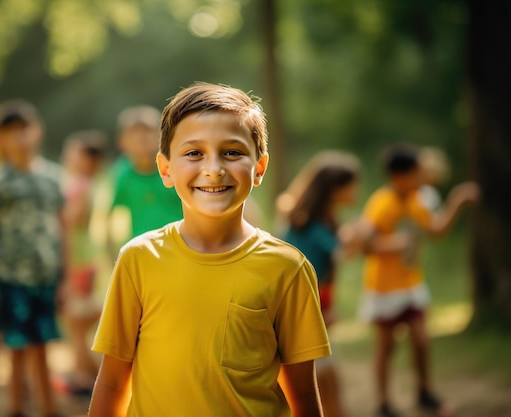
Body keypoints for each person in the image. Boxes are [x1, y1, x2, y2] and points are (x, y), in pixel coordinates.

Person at [88, 82, 331, 417]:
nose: (213, 168)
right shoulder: (138, 259)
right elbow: (113, 382)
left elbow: (302, 392)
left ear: (258, 168)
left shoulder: (288, 268)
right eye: (193, 153)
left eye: (232, 152)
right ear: (166, 169)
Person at [359, 143, 478, 417]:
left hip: (411, 284)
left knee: (421, 339)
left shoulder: (417, 201)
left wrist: (457, 202)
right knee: (386, 346)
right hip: (384, 288)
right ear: (398, 176)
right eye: (416, 174)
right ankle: (383, 402)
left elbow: (436, 231)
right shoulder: (381, 203)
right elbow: (367, 244)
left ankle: (425, 392)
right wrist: (394, 245)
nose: (421, 180)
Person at [0, 99, 67, 417]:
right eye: (11, 131)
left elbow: (64, 232)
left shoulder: (53, 178)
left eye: (24, 129)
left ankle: (48, 410)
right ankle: (15, 409)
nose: (19, 137)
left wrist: (65, 278)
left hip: (44, 278)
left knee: (42, 349)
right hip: (10, 278)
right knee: (16, 350)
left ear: (38, 131)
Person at [278, 151, 362, 417]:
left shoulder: (315, 220)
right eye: (351, 184)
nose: (355, 191)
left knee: (327, 388)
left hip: (309, 313)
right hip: (298, 316)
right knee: (324, 391)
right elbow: (338, 254)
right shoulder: (308, 225)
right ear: (334, 189)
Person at [56, 130, 107, 395]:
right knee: (75, 324)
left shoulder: (80, 186)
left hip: (78, 261)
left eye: (73, 152)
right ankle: (83, 375)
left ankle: (90, 378)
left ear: (87, 160)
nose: (68, 156)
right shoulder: (91, 184)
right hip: (84, 258)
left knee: (75, 322)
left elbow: (69, 220)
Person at [106, 105, 183, 258]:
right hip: (144, 255)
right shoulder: (121, 174)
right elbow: (108, 218)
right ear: (122, 141)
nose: (141, 138)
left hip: (184, 251)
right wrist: (114, 257)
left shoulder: (178, 167)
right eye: (134, 132)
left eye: (148, 130)